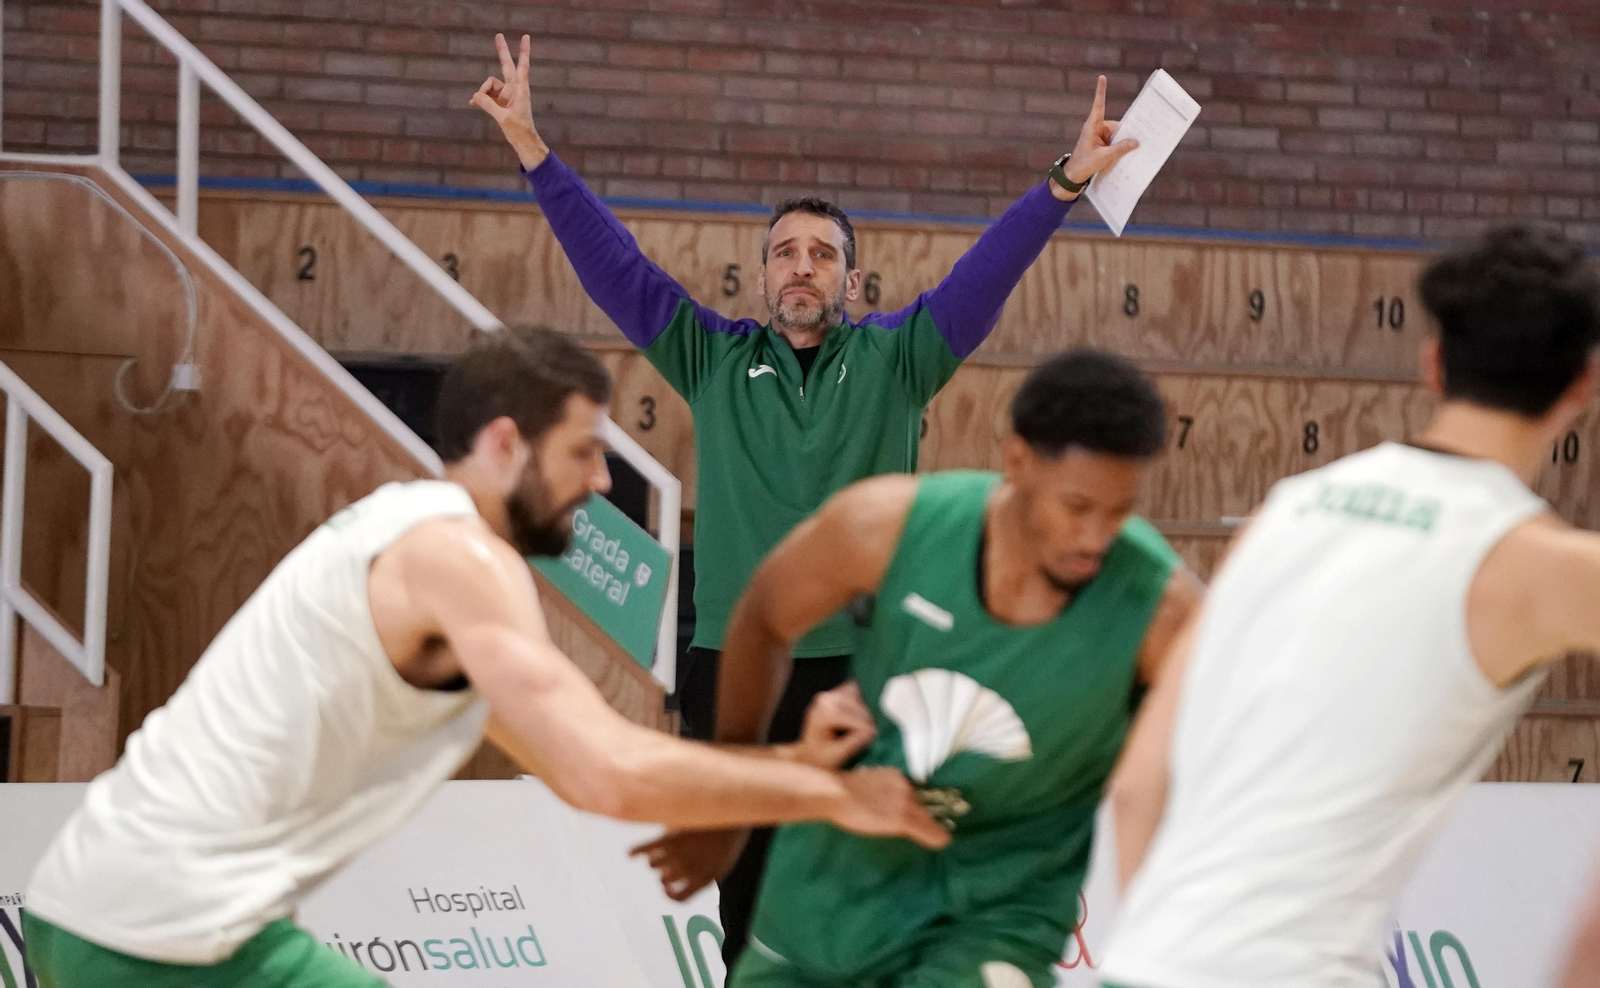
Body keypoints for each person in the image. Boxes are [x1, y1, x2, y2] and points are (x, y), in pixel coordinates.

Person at [471, 34, 1140, 961]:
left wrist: (1063, 183)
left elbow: (986, 274)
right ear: (761, 278)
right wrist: (533, 150)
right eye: (785, 252)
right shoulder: (711, 358)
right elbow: (617, 268)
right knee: (746, 915)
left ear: (851, 281)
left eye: (822, 254)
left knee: (871, 906)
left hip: (870, 666)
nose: (801, 266)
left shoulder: (900, 358)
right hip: (733, 668)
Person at [19, 327, 949, 988]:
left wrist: (769, 781)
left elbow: (585, 770)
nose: (600, 480)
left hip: (110, 910)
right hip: (155, 930)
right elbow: (609, 772)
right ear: (506, 444)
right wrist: (826, 789)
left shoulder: (419, 538)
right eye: (583, 452)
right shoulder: (459, 557)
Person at [1097, 225, 1600, 988]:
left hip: (1142, 964)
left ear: (1433, 364)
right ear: (1583, 384)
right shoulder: (1542, 566)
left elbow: (1139, 787)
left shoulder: (1285, 509)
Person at [638, 349, 1203, 988]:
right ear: (1017, 461)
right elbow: (763, 616)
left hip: (997, 909)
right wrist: (734, 798)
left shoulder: (1161, 610)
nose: (1096, 536)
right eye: (1077, 507)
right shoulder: (889, 525)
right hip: (840, 876)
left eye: (1119, 513)